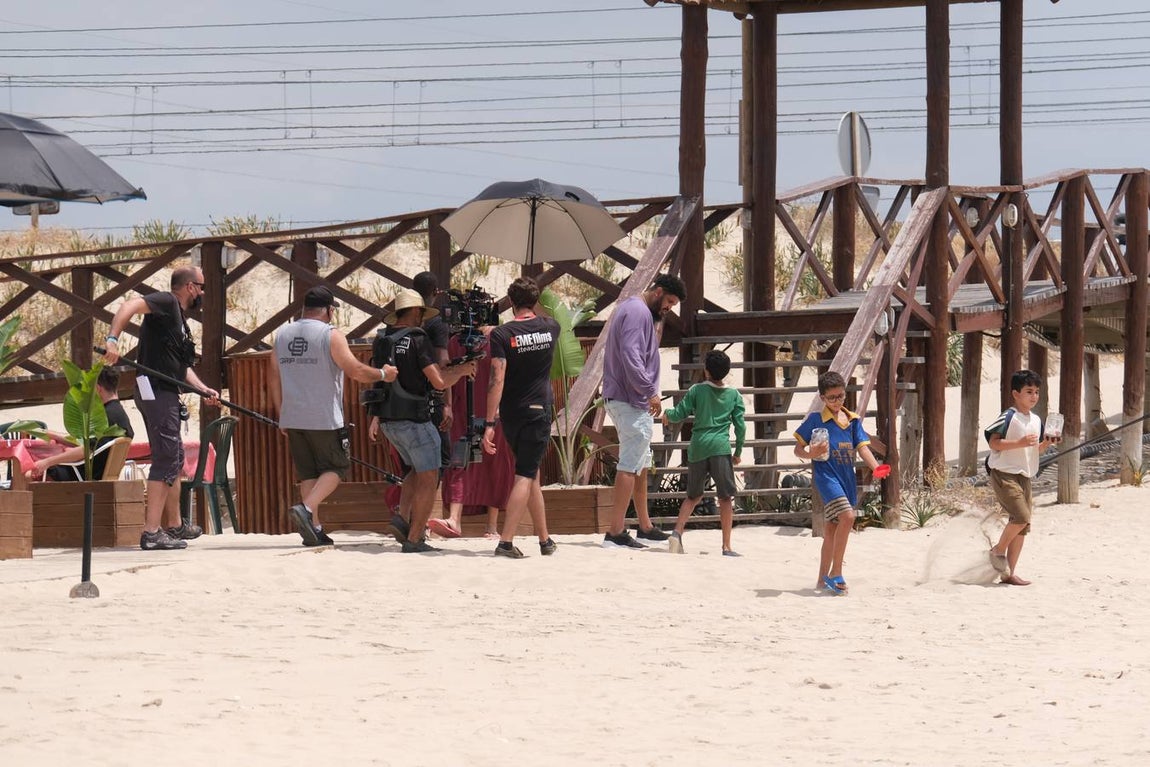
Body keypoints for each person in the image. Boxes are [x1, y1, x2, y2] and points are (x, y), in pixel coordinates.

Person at [269, 286, 399, 547]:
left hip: (293, 416)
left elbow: (273, 376)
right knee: (337, 467)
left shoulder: (282, 335)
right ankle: (306, 508)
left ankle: (314, 529)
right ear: (329, 310)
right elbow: (355, 370)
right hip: (323, 416)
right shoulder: (330, 334)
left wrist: (281, 412)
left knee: (309, 473)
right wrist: (384, 374)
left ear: (304, 309)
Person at [103, 265, 219, 551]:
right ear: (190, 287)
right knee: (166, 458)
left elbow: (179, 367)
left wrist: (202, 388)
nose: (203, 293)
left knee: (174, 457)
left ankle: (175, 525)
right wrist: (112, 339)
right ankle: (152, 532)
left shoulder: (177, 319)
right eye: (202, 287)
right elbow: (129, 305)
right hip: (156, 392)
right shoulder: (167, 302)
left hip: (164, 391)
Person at [368, 289, 475, 553]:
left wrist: (375, 417)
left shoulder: (382, 340)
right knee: (429, 476)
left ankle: (402, 519)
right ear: (416, 311)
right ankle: (415, 538)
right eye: (422, 314)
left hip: (389, 421)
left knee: (415, 471)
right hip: (414, 419)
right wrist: (462, 370)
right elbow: (438, 381)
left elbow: (379, 381)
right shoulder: (418, 338)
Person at [601, 273, 687, 549]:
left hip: (630, 399)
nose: (669, 308)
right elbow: (631, 356)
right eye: (669, 301)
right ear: (658, 292)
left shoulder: (633, 308)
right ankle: (615, 532)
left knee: (641, 465)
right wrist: (650, 391)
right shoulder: (638, 312)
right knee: (630, 465)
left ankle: (645, 526)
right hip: (630, 399)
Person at [480, 276, 559, 558]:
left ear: (511, 302)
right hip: (538, 409)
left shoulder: (502, 335)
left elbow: (496, 379)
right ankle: (505, 542)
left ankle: (544, 539)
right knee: (525, 474)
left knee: (529, 471)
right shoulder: (551, 327)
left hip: (512, 412)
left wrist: (489, 423)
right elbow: (543, 317)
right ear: (535, 301)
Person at [793, 371, 886, 595]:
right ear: (822, 398)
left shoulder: (853, 421)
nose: (837, 401)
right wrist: (810, 453)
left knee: (832, 529)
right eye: (832, 397)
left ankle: (821, 580)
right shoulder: (815, 420)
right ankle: (836, 572)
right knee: (848, 517)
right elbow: (798, 449)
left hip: (846, 480)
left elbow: (863, 448)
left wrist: (876, 467)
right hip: (826, 478)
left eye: (841, 396)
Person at [660, 350, 746, 556]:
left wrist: (667, 414)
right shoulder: (734, 395)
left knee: (693, 496)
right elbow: (740, 427)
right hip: (720, 447)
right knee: (725, 498)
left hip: (698, 446)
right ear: (727, 371)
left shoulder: (696, 390)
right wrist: (738, 451)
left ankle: (676, 533)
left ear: (706, 370)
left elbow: (679, 413)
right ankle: (726, 546)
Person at [984, 369, 1058, 586]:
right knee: (1021, 517)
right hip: (1004, 474)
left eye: (1036, 392)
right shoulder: (1008, 416)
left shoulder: (1036, 419)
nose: (1034, 396)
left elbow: (1036, 449)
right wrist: (1020, 443)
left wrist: (1046, 444)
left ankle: (1009, 573)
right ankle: (997, 551)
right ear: (1016, 394)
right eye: (1029, 391)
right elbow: (993, 443)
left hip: (1025, 476)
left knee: (1023, 527)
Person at [25, 368, 135, 482]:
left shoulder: (105, 418)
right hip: (97, 473)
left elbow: (85, 451)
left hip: (83, 475)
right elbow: (87, 443)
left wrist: (47, 462)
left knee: (28, 474)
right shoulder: (117, 414)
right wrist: (49, 434)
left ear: (97, 389)